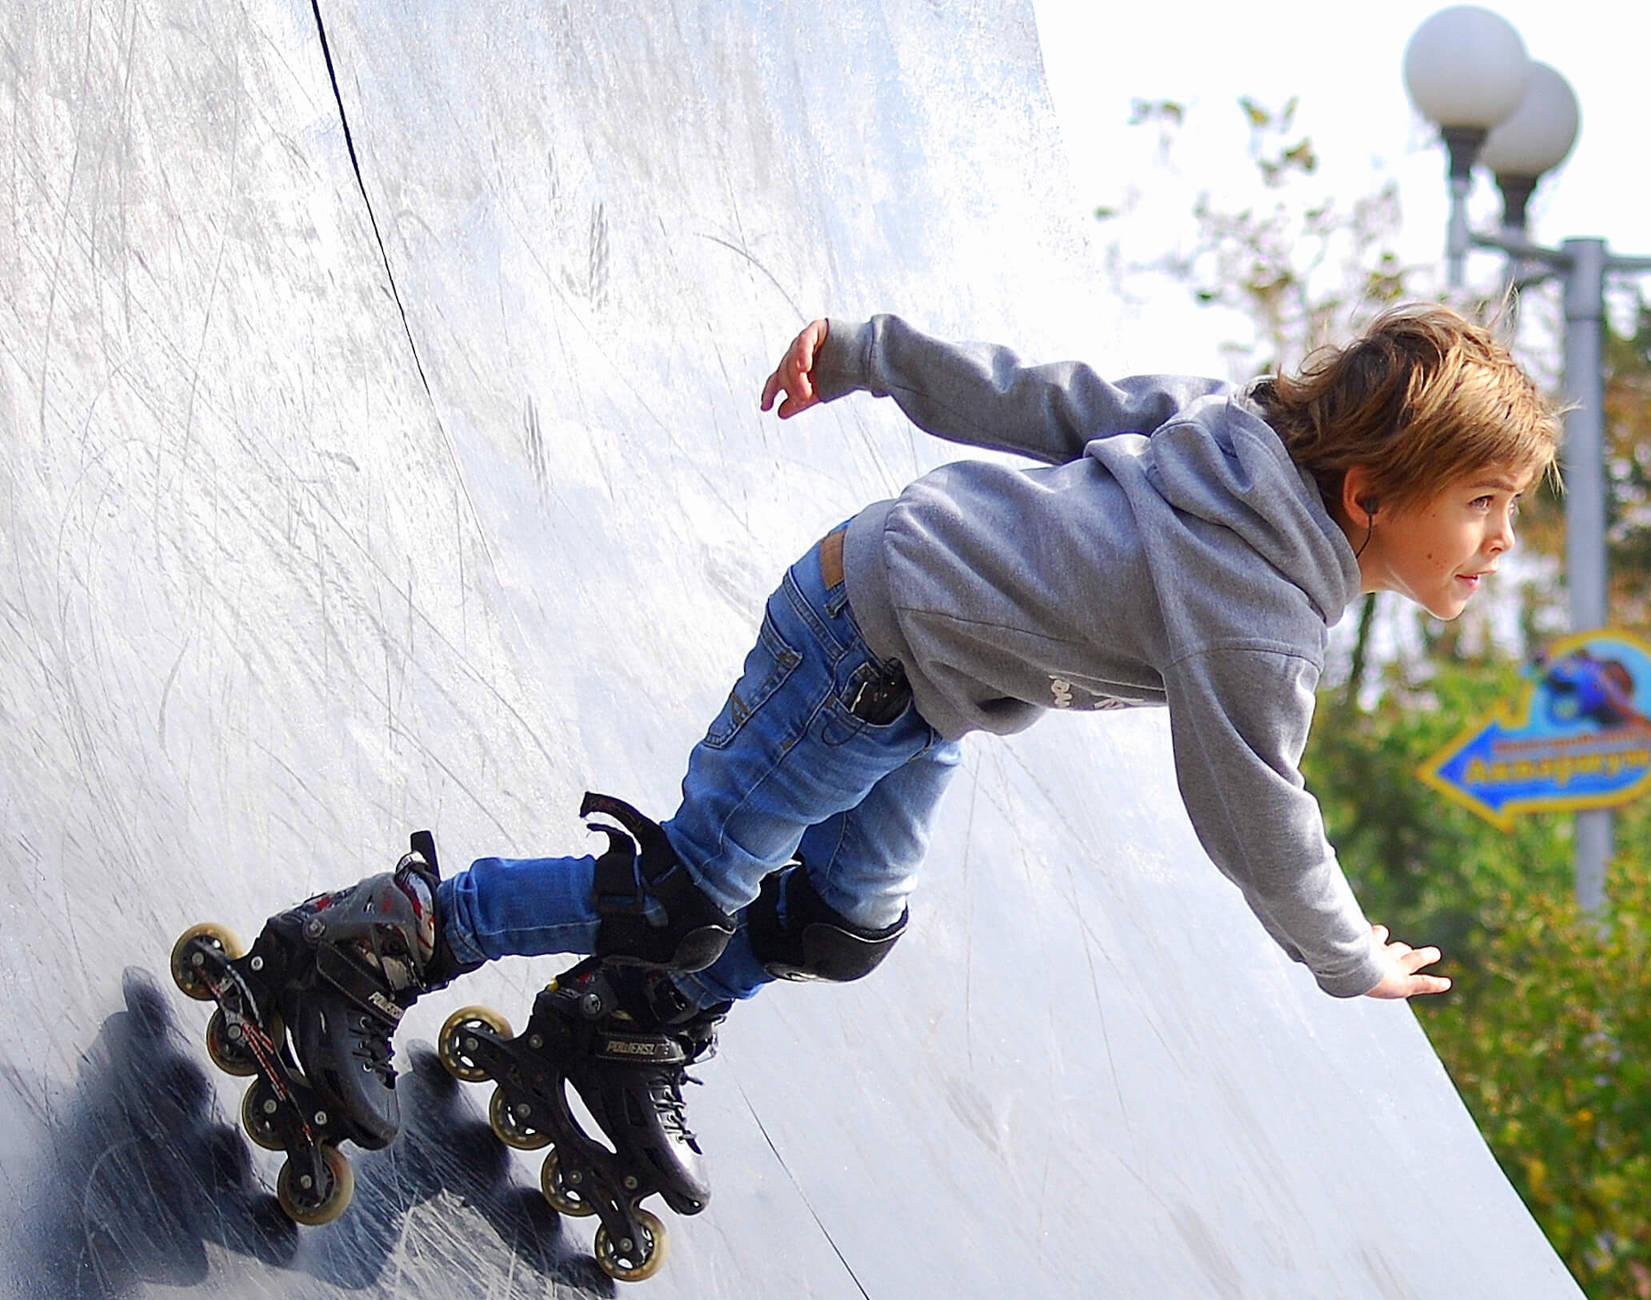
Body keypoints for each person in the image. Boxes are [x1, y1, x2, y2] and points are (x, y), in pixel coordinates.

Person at [229, 305, 1560, 1252]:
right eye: (1484, 504)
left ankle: (623, 1024)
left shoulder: (1235, 434)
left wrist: (872, 350)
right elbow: (1257, 810)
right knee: (682, 892)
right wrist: (1346, 952)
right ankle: (389, 935)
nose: (1501, 542)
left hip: (914, 686)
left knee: (843, 920)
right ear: (1372, 495)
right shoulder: (1262, 615)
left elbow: (1049, 393)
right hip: (859, 645)